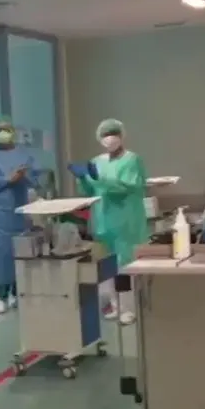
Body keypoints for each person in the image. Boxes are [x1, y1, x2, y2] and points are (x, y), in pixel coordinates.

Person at [68, 118, 148, 325]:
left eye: (113, 134)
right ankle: (115, 304)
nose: (109, 138)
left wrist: (99, 179)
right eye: (105, 135)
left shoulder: (132, 160)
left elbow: (126, 187)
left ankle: (129, 307)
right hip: (103, 221)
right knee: (108, 266)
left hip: (126, 221)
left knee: (125, 265)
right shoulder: (97, 162)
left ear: (121, 136)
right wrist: (82, 177)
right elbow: (89, 191)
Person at [0, 121, 40, 314]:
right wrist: (7, 179)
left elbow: (36, 178)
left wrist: (23, 176)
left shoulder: (24, 154)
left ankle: (17, 293)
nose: (3, 134)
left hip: (21, 209)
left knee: (21, 252)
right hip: (0, 212)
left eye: (6, 130)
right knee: (1, 254)